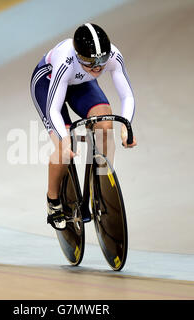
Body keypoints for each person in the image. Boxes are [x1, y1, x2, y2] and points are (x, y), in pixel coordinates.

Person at [30, 23, 137, 230]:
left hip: (81, 83)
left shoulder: (113, 55)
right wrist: (64, 140)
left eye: (101, 61)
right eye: (90, 62)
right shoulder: (65, 61)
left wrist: (126, 127)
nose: (97, 67)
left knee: (105, 125)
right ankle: (53, 201)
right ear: (78, 55)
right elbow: (53, 110)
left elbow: (127, 95)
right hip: (48, 82)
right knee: (64, 150)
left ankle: (102, 184)